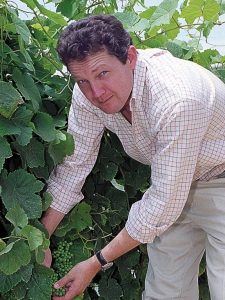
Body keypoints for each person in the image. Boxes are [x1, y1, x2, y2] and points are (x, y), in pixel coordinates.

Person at [40, 14, 225, 300]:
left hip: (221, 181)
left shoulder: (176, 99)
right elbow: (74, 165)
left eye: (103, 74)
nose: (96, 92)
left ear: (131, 57)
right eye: (83, 81)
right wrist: (41, 240)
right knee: (164, 294)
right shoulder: (87, 94)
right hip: (177, 183)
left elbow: (163, 202)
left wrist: (95, 262)